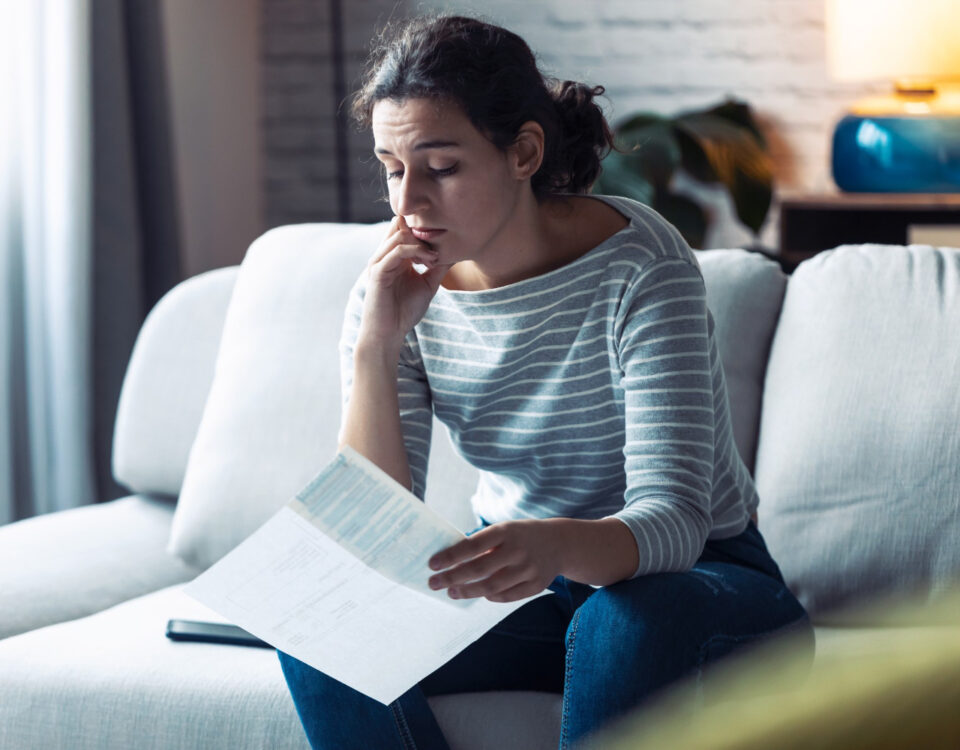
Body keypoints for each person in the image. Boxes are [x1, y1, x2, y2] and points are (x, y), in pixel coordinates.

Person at [277, 13, 813, 750]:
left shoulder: (640, 265)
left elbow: (679, 523)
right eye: (393, 168)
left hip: (702, 583)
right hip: (529, 583)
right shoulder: (395, 285)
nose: (408, 205)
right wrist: (375, 345)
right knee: (322, 625)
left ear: (524, 151)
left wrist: (555, 547)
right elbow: (375, 529)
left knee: (621, 616)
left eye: (442, 167)